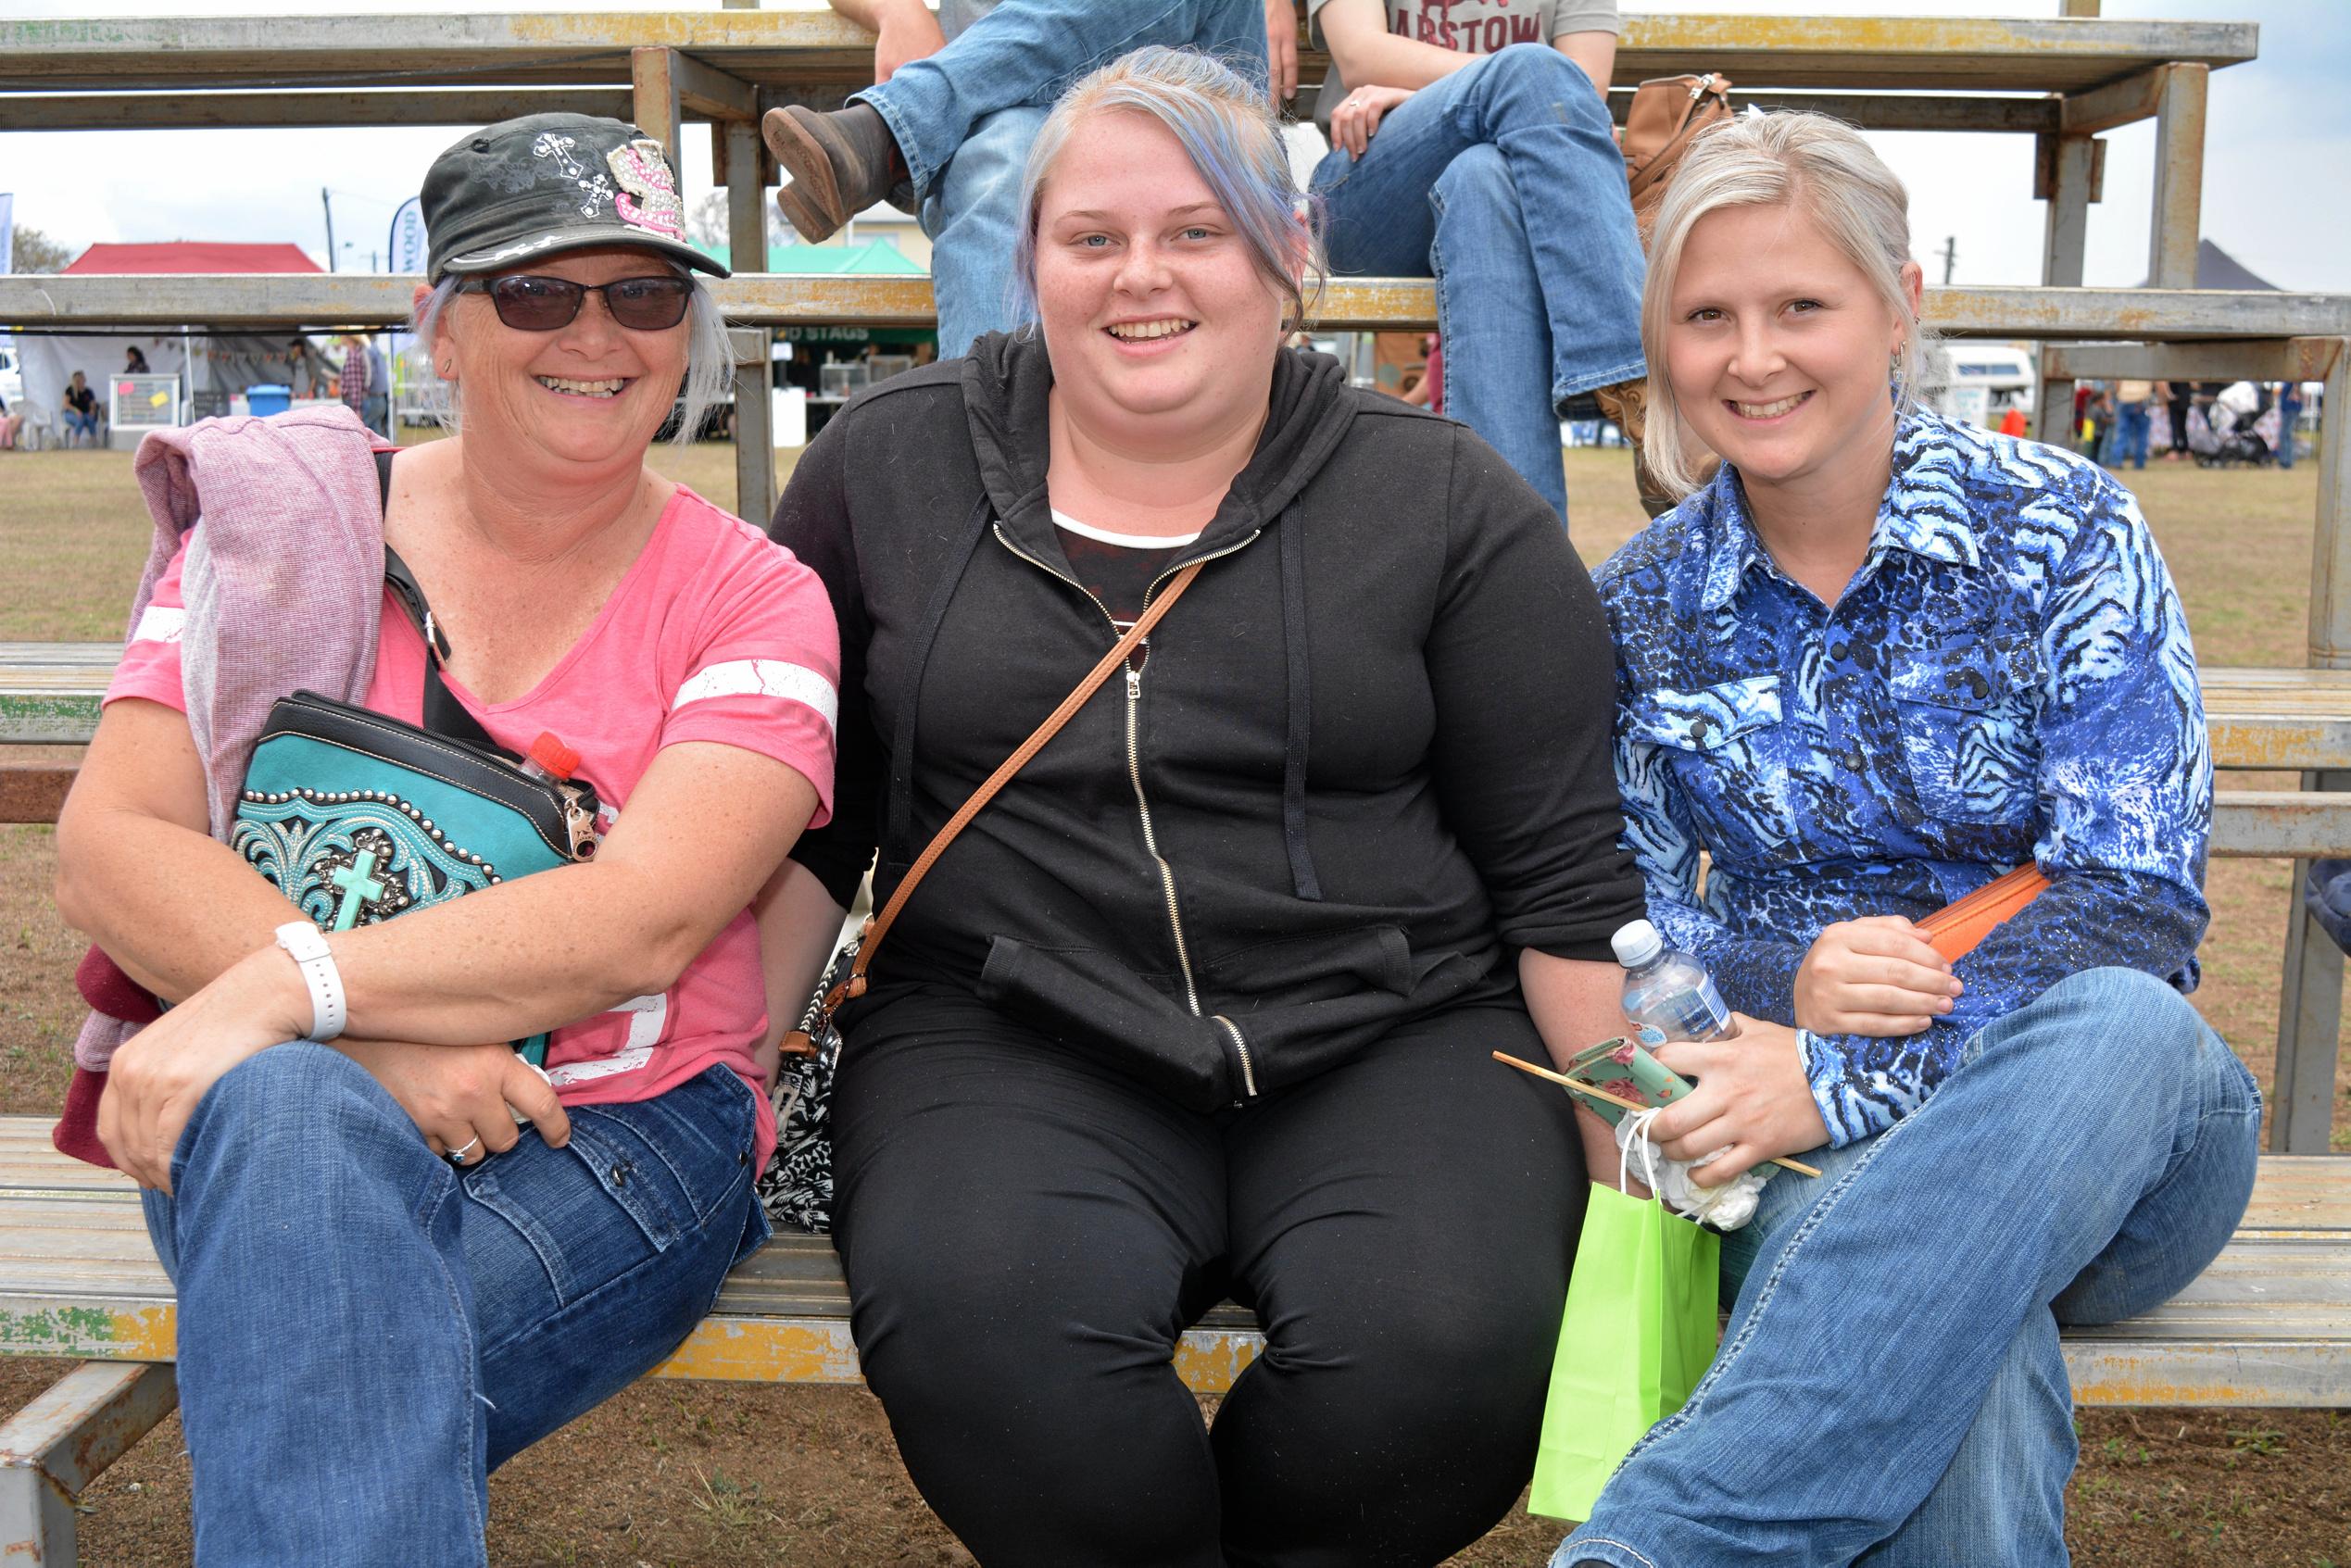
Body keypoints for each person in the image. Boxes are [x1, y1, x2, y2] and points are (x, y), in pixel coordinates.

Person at [768, 47, 1643, 1566]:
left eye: (1196, 230)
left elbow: (1561, 878)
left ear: (1289, 250)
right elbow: (795, 824)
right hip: (1002, 1026)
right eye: (1089, 237)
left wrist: (1634, 1159)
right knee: (987, 1335)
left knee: (1445, 1350)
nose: (1138, 278)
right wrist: (724, 1067)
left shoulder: (1439, 501)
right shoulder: (882, 472)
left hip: (1394, 1023)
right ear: (1026, 256)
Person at [51, 113, 839, 1565]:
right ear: (442, 327)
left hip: (617, 1126)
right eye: (535, 291)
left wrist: (296, 994)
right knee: (301, 1159)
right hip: (284, 1122)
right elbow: (109, 841)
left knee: (317, 1367)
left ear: (687, 330)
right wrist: (366, 1051)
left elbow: (644, 922)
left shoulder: (756, 596)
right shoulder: (283, 524)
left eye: (645, 294)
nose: (595, 333)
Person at [1549, 111, 2261, 1568]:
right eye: (1705, 318)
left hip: (2100, 1136)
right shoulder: (1638, 605)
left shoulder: (2066, 530)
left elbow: (2133, 901)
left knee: (2124, 1022)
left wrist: (1845, 1074)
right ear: (1660, 344)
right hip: (1795, 1153)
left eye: (1799, 305)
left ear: (1897, 306)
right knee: (1951, 1326)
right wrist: (1786, 969)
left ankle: (1662, 1548)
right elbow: (1608, 904)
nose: (1752, 358)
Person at [766, 0, 1292, 358]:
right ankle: (992, 468)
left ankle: (893, 130)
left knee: (999, 160)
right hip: (1008, 119)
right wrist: (896, 8)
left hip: (1188, 106)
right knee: (1001, 164)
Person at [1305, 0, 1648, 528]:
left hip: (1505, 203)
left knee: (1481, 179)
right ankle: (1644, 392)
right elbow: (1360, 55)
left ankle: (1514, 562)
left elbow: (1579, 100)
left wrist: (1427, 86)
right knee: (1532, 71)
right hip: (1368, 192)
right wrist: (1465, 88)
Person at [2107, 376, 2152, 469]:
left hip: (2124, 398)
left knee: (2121, 433)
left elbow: (2117, 381)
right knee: (2142, 434)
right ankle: (2139, 463)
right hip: (2141, 399)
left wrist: (2119, 394)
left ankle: (2117, 461)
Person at [60, 370, 101, 445]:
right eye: (82, 378)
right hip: (71, 413)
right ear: (78, 380)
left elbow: (93, 404)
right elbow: (65, 404)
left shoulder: (88, 391)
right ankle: (75, 442)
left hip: (85, 414)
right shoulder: (70, 390)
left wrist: (92, 410)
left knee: (90, 419)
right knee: (80, 419)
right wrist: (76, 410)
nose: (84, 380)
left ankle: (94, 441)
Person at [2279, 379, 2304, 469]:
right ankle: (2286, 461)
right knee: (2287, 436)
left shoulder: (2292, 381)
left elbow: (2295, 395)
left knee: (2285, 436)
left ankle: (2285, 461)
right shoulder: (2292, 382)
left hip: (2289, 409)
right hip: (2290, 409)